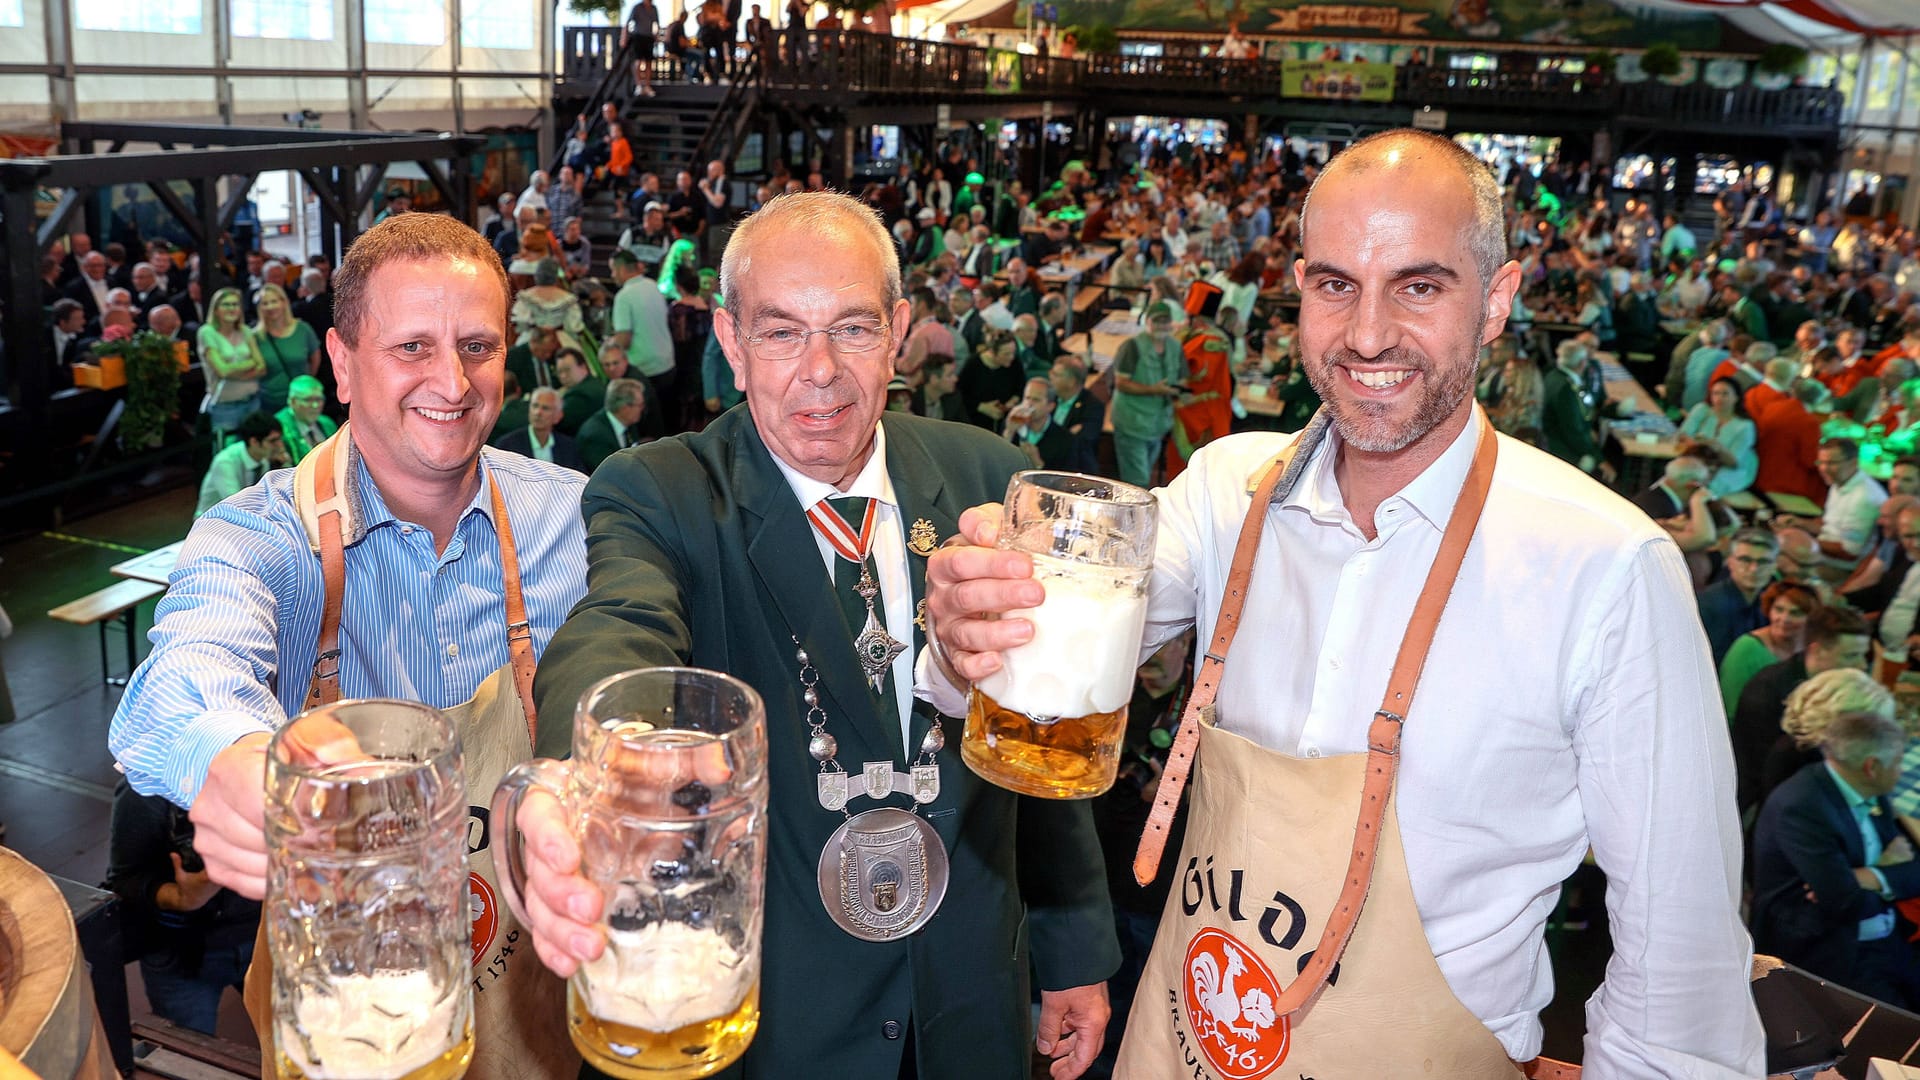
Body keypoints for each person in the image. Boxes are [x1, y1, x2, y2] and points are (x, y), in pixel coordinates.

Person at [923, 129, 1762, 1073]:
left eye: (1418, 285)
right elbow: (1026, 658)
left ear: (1497, 301)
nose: (1366, 335)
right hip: (1188, 1046)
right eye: (1334, 285)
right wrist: (968, 629)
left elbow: (1680, 971)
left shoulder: (1606, 570)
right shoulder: (1225, 489)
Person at [514, 191, 1119, 1080]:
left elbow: (1038, 720)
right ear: (730, 341)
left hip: (968, 995)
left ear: (900, 329)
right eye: (781, 332)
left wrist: (1073, 945)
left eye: (853, 328)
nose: (822, 370)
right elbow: (617, 628)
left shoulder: (989, 475)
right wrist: (594, 765)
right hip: (783, 1021)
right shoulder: (662, 492)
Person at [109, 213, 589, 1080]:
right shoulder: (262, 537)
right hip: (352, 1035)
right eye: (412, 347)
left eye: (477, 346)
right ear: (339, 362)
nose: (452, 380)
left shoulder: (572, 519)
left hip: (539, 1021)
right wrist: (239, 758)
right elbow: (181, 672)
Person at [1752, 708, 1920, 1007]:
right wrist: (1874, 875)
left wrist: (1864, 877)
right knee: (1899, 1034)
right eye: (1896, 764)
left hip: (1883, 933)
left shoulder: (1867, 787)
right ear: (1872, 767)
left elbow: (1912, 868)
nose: (1901, 771)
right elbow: (1844, 903)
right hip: (1828, 948)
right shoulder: (1802, 807)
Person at [105, 781, 261, 1035]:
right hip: (180, 951)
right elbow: (124, 881)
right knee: (190, 1050)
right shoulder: (147, 785)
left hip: (264, 937)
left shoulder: (277, 770)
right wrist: (182, 898)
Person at [1729, 606, 1874, 817]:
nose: (1861, 666)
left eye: (1863, 656)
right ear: (1817, 650)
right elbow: (1770, 776)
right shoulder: (1767, 693)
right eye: (1851, 656)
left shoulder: (1834, 688)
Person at [1108, 302, 1182, 488]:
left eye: (1165, 321)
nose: (1161, 326)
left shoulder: (1175, 347)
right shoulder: (1131, 347)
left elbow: (1182, 378)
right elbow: (1121, 383)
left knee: (1145, 473)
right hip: (1132, 423)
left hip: (1157, 425)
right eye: (1157, 321)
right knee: (1137, 480)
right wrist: (1153, 390)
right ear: (1147, 322)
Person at [1719, 582, 1818, 715]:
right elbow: (1729, 708)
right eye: (1778, 609)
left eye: (1795, 613)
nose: (1784, 619)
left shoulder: (1814, 648)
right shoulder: (1746, 648)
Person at [1697, 527, 1780, 666]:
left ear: (1774, 566)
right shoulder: (1711, 604)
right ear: (1730, 562)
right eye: (1745, 560)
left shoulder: (1772, 598)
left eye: (1763, 562)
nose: (1754, 569)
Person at [198, 286, 268, 441]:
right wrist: (250, 364)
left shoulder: (245, 331)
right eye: (226, 304)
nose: (231, 308)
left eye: (235, 304)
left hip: (252, 401)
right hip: (225, 406)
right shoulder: (207, 332)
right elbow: (222, 371)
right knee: (227, 455)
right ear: (215, 310)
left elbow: (262, 367)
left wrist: (232, 371)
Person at [195, 411, 287, 517]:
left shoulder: (263, 456)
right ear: (254, 442)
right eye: (273, 441)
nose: (280, 445)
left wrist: (282, 467)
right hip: (212, 522)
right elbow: (236, 505)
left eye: (280, 439)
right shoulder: (225, 462)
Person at [1679, 376, 1757, 496]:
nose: (1719, 398)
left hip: (1728, 470)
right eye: (1715, 393)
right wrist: (1696, 446)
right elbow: (1683, 434)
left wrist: (1717, 448)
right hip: (1698, 461)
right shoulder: (1702, 410)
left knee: (1708, 484)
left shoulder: (1745, 426)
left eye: (1725, 394)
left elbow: (1734, 462)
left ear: (1736, 398)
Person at [252, 283, 322, 415]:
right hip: (269, 403)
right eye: (265, 303)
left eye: (274, 301)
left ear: (284, 302)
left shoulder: (303, 329)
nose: (270, 306)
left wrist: (305, 383)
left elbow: (315, 358)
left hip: (302, 401)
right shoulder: (255, 336)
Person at [497, 386, 585, 472]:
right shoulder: (507, 445)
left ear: (558, 416)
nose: (538, 412)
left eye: (545, 408)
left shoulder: (569, 447)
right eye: (535, 406)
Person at [575, 376, 650, 472]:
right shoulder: (595, 437)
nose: (642, 409)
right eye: (640, 405)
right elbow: (608, 473)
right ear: (625, 408)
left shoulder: (629, 422)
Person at [1047, 356, 1103, 475]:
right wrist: (1068, 433)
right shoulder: (1049, 399)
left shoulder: (1093, 407)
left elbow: (1082, 442)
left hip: (1075, 470)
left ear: (1072, 381)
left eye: (1056, 375)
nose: (1050, 377)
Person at [274, 375, 337, 465]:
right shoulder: (279, 427)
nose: (315, 405)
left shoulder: (328, 424)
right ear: (292, 401)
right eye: (308, 400)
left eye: (319, 399)